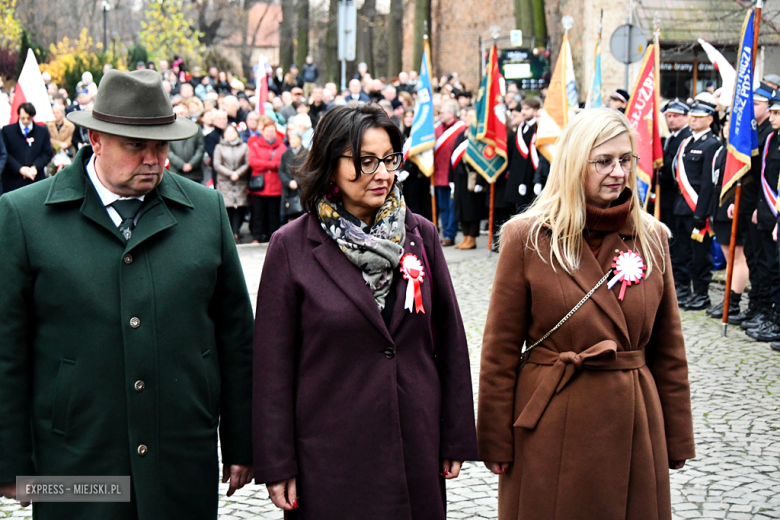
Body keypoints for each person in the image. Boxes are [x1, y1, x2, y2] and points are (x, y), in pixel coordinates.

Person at [0, 69, 254, 519]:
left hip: (180, 454)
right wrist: (10, 461)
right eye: (137, 146)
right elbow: (6, 350)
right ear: (95, 139)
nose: (154, 159)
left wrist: (242, 441)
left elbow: (236, 339)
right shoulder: (24, 217)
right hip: (76, 462)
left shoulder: (205, 212)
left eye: (162, 145)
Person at [252, 104, 478, 518]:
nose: (382, 173)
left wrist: (455, 435)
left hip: (414, 442)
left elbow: (449, 339)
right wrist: (277, 460)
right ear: (330, 165)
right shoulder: (292, 245)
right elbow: (271, 365)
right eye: (365, 161)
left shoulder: (419, 234)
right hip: (330, 454)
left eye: (389, 159)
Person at [478, 108, 694, 520]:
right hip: (550, 422)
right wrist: (494, 438)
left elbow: (669, 350)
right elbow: (500, 350)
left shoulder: (652, 238)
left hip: (634, 424)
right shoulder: (527, 237)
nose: (618, 171)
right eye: (604, 161)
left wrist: (677, 437)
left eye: (626, 159)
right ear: (576, 162)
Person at [733, 83, 776, 329]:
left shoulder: (769, 133)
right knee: (754, 257)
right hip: (751, 205)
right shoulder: (755, 130)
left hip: (764, 207)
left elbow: (766, 177)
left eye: (757, 104)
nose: (752, 108)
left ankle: (765, 309)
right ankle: (756, 306)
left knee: (764, 262)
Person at [673, 96, 720, 310]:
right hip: (682, 207)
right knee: (684, 251)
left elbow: (708, 183)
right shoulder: (687, 143)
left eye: (699, 116)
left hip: (697, 209)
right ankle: (687, 290)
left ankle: (701, 293)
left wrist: (702, 213)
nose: (693, 120)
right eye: (692, 116)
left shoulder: (712, 145)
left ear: (710, 119)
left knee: (701, 254)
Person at [745, 94, 780, 342]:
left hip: (777, 215)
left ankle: (776, 320)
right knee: (768, 266)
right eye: (774, 112)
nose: (773, 117)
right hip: (766, 210)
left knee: (776, 269)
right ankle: (770, 316)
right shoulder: (770, 139)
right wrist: (760, 207)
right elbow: (764, 178)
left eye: (777, 113)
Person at [707, 117, 747, 321]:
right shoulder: (723, 150)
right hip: (719, 207)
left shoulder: (738, 152)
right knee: (728, 256)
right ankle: (727, 300)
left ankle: (733, 302)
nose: (726, 128)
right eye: (725, 124)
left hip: (731, 207)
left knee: (737, 257)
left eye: (732, 126)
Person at [660, 99, 693, 301]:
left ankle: (682, 283)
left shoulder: (686, 138)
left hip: (680, 198)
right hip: (667, 198)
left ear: (685, 117)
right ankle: (674, 280)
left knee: (680, 244)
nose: (671, 119)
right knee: (671, 241)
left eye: (676, 116)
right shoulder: (671, 138)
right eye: (669, 116)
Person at [450, 107, 484, 249]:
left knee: (472, 209)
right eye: (465, 115)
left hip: (472, 178)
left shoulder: (478, 136)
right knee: (461, 208)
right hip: (460, 178)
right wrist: (451, 179)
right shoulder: (461, 135)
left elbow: (482, 159)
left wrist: (480, 182)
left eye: (470, 116)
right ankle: (465, 237)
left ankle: (472, 238)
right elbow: (452, 157)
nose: (466, 118)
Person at [248, 117, 286, 242]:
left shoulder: (281, 147)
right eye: (268, 131)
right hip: (260, 186)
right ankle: (257, 236)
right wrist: (272, 165)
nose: (270, 133)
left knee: (273, 214)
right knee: (258, 213)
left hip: (275, 186)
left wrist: (264, 164)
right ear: (263, 132)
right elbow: (253, 162)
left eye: (272, 131)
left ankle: (273, 238)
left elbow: (282, 163)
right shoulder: (255, 145)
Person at [1, 102, 54, 193]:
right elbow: (5, 153)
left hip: (35, 178)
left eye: (28, 118)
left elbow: (47, 153)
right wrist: (20, 169)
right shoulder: (7, 131)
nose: (25, 121)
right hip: (13, 180)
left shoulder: (42, 131)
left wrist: (35, 167)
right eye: (23, 118)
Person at [433, 101, 466, 246]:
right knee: (443, 206)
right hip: (439, 174)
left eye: (443, 112)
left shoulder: (461, 128)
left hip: (453, 175)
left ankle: (450, 234)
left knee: (452, 206)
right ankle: (444, 232)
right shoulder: (436, 129)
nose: (440, 115)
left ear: (451, 114)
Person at [214, 123, 251, 242]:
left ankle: (236, 232)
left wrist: (238, 173)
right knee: (227, 208)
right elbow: (217, 164)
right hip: (225, 182)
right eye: (227, 132)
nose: (230, 135)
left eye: (232, 132)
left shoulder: (244, 146)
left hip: (240, 181)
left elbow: (247, 162)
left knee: (239, 208)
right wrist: (230, 173)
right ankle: (229, 233)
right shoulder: (219, 147)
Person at [504, 98, 540, 213]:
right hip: (516, 177)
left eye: (527, 109)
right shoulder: (522, 128)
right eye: (523, 109)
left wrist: (525, 181)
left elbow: (532, 158)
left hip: (529, 178)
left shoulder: (536, 128)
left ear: (535, 111)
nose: (523, 112)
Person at [168, 104, 206, 183]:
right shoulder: (168, 129)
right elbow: (168, 150)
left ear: (186, 114)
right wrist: (181, 165)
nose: (179, 116)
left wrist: (191, 164)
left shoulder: (196, 127)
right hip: (176, 173)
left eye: (181, 113)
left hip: (195, 173)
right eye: (176, 114)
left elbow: (201, 148)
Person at [278, 128, 307, 221]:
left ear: (300, 139)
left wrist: (298, 181)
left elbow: (308, 171)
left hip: (302, 189)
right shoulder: (285, 154)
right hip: (288, 190)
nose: (292, 141)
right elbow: (281, 170)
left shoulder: (307, 153)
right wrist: (288, 182)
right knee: (290, 217)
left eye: (294, 138)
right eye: (290, 138)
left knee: (303, 216)